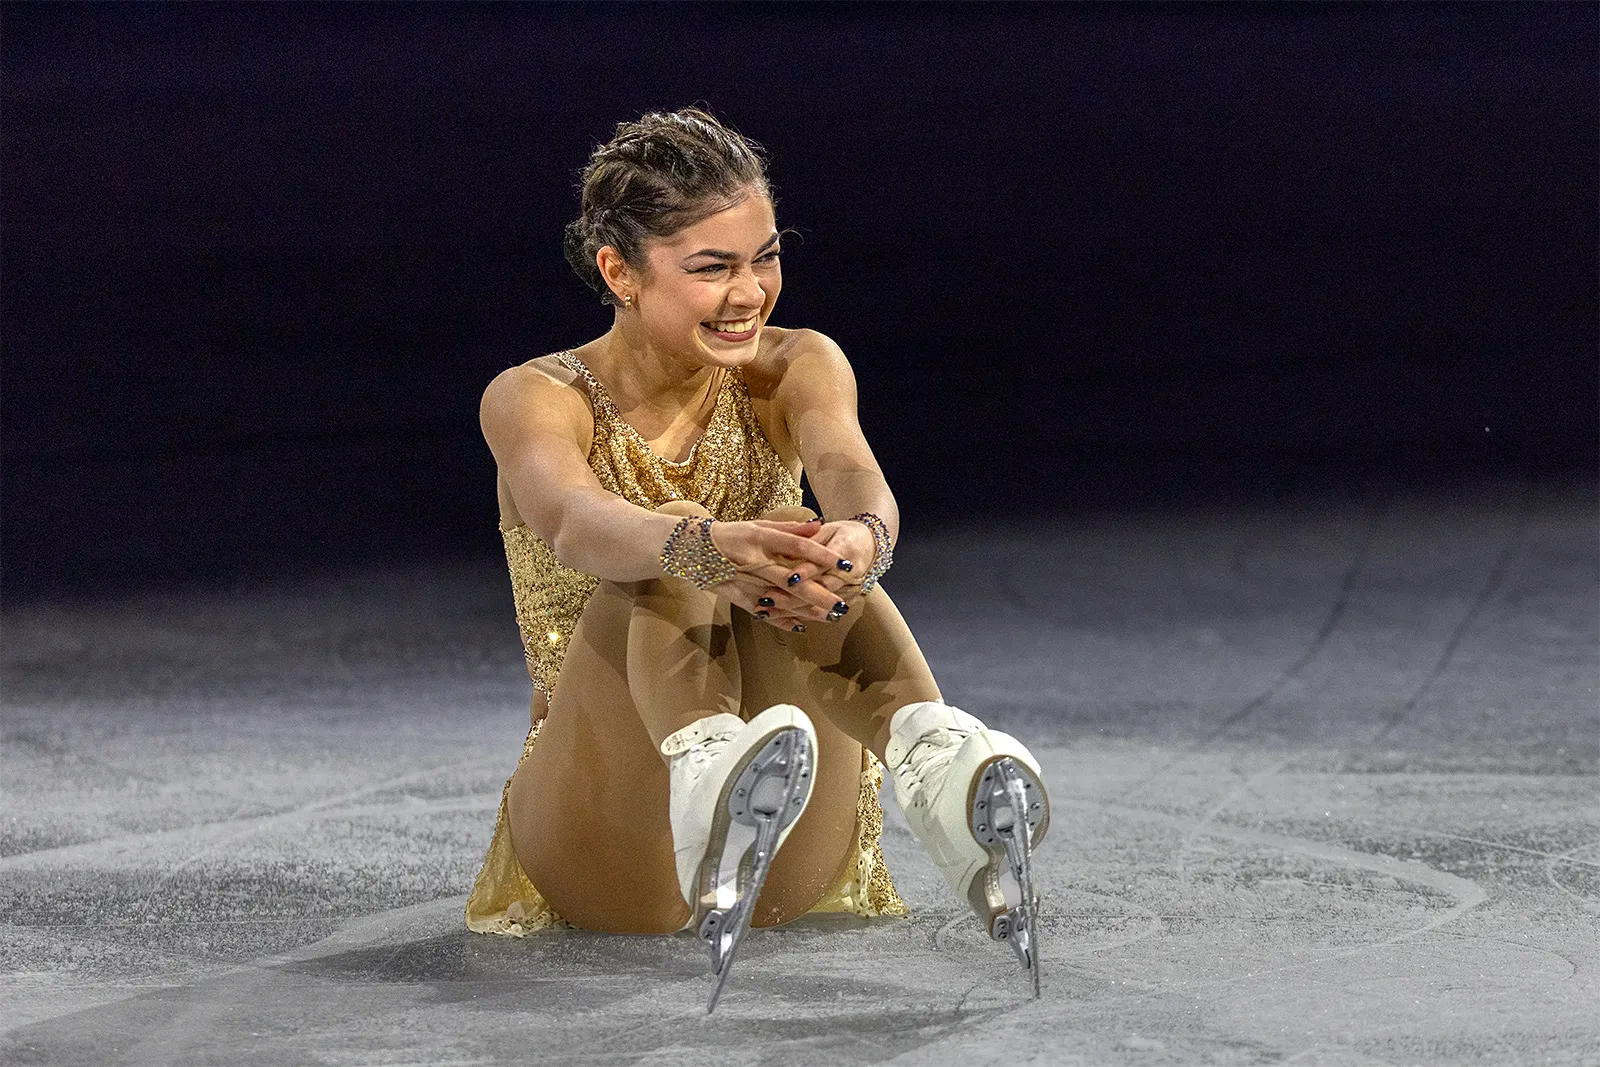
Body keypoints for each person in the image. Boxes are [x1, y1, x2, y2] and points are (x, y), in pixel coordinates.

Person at [466, 107, 1049, 1011]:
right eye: (712, 267)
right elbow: (575, 522)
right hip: (605, 832)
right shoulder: (535, 395)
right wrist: (700, 546)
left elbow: (852, 472)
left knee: (796, 529)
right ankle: (704, 767)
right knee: (675, 532)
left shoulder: (796, 363)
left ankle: (928, 757)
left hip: (798, 847)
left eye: (764, 258)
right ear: (619, 271)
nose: (750, 292)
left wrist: (859, 537)